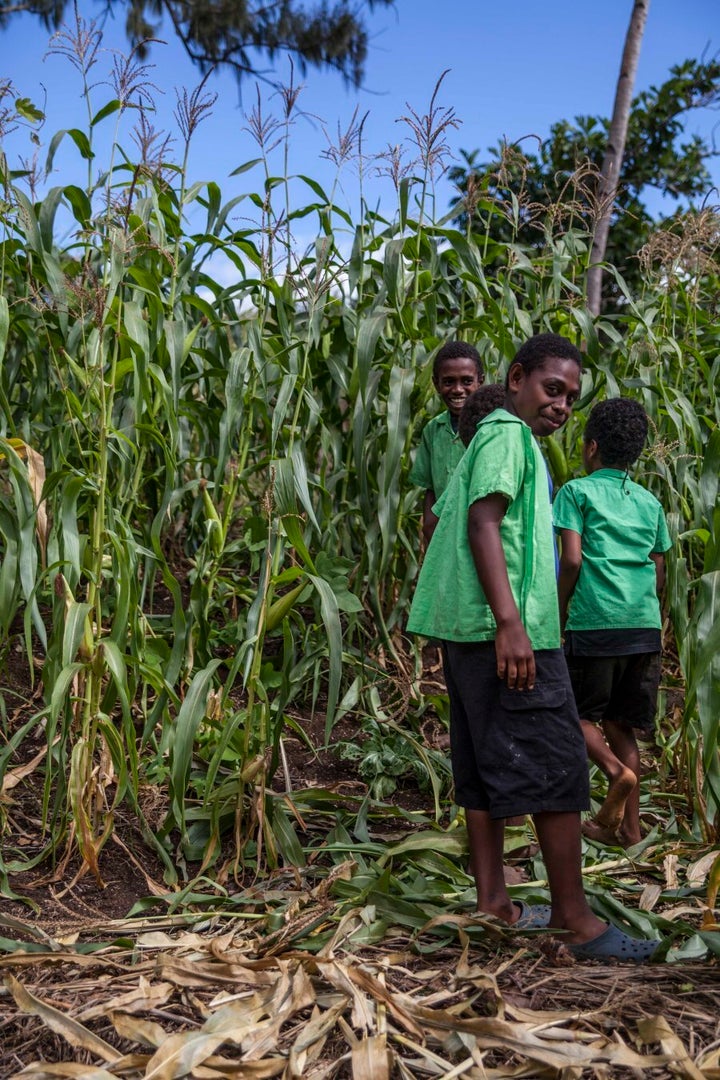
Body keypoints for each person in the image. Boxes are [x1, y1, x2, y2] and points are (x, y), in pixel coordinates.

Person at [407, 333, 658, 961]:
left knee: (484, 769)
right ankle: (577, 922)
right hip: (508, 633)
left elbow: (454, 522)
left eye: (572, 398)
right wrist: (511, 624)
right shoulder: (507, 435)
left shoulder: (494, 434)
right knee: (557, 768)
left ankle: (494, 903)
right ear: (517, 378)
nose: (562, 405)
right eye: (552, 389)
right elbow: (483, 522)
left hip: (473, 631)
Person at [553, 398, 671, 848]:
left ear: (590, 448)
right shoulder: (650, 502)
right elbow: (658, 570)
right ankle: (630, 829)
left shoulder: (575, 493)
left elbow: (572, 559)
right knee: (623, 725)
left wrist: (558, 609)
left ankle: (614, 773)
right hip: (643, 628)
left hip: (595, 623)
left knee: (575, 714)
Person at [409, 340, 484, 546]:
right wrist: (429, 526)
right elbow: (430, 486)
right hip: (444, 535)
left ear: (480, 382)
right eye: (449, 382)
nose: (458, 389)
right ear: (436, 383)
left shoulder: (490, 430)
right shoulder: (432, 430)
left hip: (481, 534)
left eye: (467, 381)